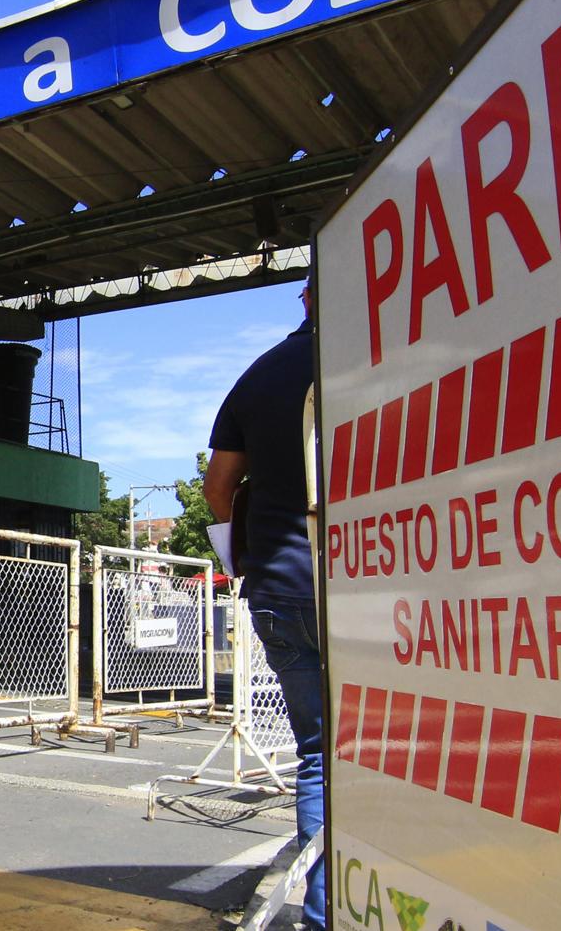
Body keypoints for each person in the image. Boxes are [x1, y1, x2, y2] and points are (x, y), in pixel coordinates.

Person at [204, 282, 324, 930]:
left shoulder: (257, 375)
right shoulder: (383, 354)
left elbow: (217, 488)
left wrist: (246, 553)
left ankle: (323, 913)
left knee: (319, 755)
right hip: (363, 583)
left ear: (303, 298)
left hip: (277, 586)